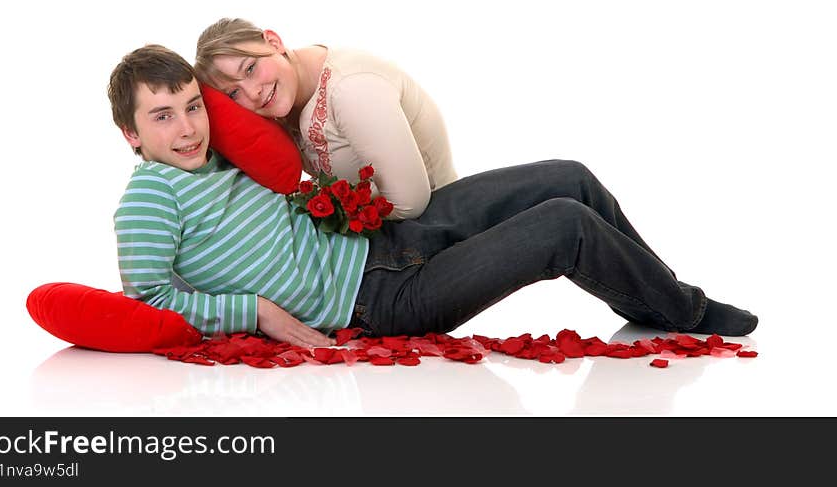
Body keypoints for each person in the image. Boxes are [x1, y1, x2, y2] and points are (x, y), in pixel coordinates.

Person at [108, 45, 758, 348]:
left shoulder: (224, 149)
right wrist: (261, 313)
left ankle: (651, 299)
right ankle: (688, 311)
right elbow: (149, 300)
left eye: (193, 107)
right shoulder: (149, 195)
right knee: (565, 225)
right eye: (162, 117)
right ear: (131, 133)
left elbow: (250, 111)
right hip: (384, 298)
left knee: (570, 174)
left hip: (384, 237)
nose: (189, 127)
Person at [193, 18, 457, 220]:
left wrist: (320, 214)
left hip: (440, 223)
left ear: (274, 42)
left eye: (250, 68)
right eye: (234, 93)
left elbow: (410, 202)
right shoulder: (279, 100)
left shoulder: (351, 89)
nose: (253, 93)